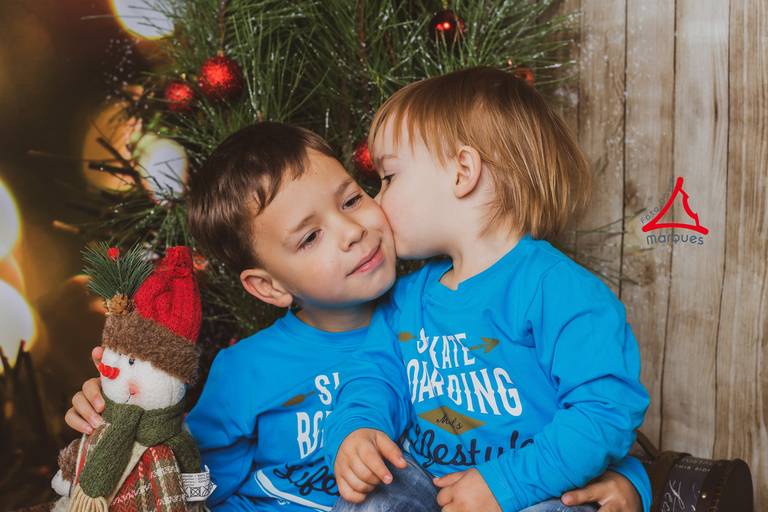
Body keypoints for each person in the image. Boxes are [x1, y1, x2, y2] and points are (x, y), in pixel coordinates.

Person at [66, 119, 647, 511]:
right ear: (267, 287)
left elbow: (573, 414)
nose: (352, 232)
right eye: (310, 236)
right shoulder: (245, 370)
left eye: (351, 199)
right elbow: (186, 475)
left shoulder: (444, 308)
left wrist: (632, 484)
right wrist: (120, 413)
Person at [325, 67, 652, 512]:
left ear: (463, 172)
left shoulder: (558, 291)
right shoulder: (405, 299)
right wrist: (357, 430)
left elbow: (605, 410)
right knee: (372, 498)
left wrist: (503, 484)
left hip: (535, 483)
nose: (376, 203)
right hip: (429, 482)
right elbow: (374, 376)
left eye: (389, 178)